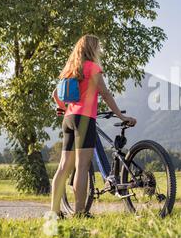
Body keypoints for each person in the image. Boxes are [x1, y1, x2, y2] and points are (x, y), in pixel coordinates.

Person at [50, 34, 136, 218]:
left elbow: (55, 94)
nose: (100, 51)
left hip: (69, 118)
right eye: (98, 48)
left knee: (64, 166)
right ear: (92, 49)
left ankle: (55, 211)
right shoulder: (92, 68)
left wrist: (62, 107)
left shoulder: (70, 69)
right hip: (84, 119)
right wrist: (121, 115)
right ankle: (80, 212)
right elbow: (104, 94)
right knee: (82, 166)